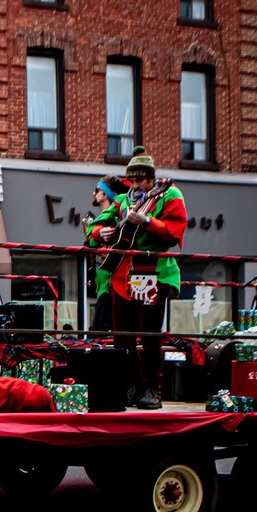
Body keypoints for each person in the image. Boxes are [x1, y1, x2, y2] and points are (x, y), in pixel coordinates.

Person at [90, 146, 187, 409]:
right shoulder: (122, 200)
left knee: (149, 334)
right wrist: (102, 234)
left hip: (155, 272)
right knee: (122, 336)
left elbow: (175, 231)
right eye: (131, 180)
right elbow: (93, 227)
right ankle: (131, 384)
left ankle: (153, 388)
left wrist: (146, 222)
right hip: (123, 277)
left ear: (151, 178)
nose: (135, 184)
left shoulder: (170, 194)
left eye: (140, 179)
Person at [86, 174, 129, 332]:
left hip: (113, 284)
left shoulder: (117, 219)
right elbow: (91, 239)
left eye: (97, 190)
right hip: (102, 283)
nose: (93, 193)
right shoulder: (100, 221)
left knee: (100, 333)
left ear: (105, 194)